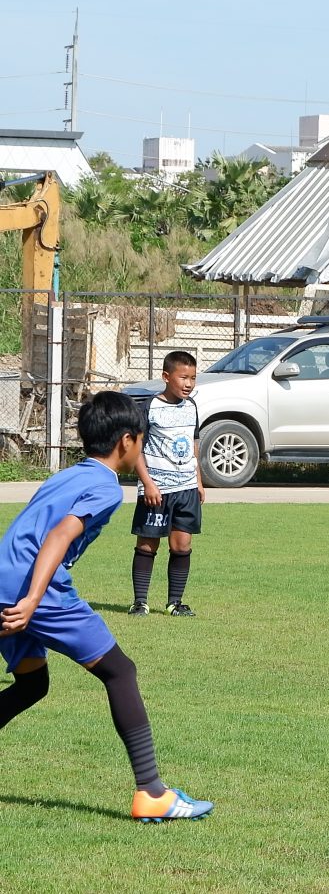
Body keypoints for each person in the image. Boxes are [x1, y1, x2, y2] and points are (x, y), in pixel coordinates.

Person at [0, 391, 212, 822]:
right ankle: (152, 792)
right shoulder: (105, 487)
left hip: (4, 578)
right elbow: (58, 537)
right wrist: (33, 600)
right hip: (35, 589)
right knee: (120, 671)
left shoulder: (66, 475)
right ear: (127, 442)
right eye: (142, 440)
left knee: (32, 685)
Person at [129, 350, 205, 618]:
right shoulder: (149, 407)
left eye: (193, 378)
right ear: (166, 377)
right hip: (157, 490)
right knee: (148, 545)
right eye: (183, 377)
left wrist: (199, 481)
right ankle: (140, 601)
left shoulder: (192, 406)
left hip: (186, 489)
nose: (188, 384)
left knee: (182, 546)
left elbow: (193, 445)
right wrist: (147, 483)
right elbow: (136, 449)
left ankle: (175, 602)